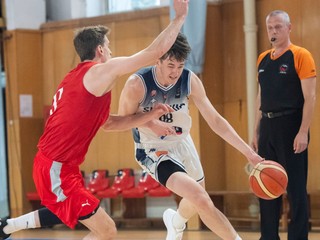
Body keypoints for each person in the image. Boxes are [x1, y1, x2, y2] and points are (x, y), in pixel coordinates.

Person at [0, 1, 189, 239]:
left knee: (70, 213)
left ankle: (7, 226)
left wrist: (149, 116)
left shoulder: (79, 81)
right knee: (106, 229)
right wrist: (179, 18)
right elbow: (153, 53)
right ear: (100, 50)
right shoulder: (98, 72)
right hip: (55, 167)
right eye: (108, 47)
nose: (111, 52)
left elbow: (110, 124)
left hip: (61, 167)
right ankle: (8, 226)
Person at [118, 32, 264, 240]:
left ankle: (176, 221)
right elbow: (122, 120)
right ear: (157, 59)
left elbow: (215, 121)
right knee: (201, 199)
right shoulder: (137, 84)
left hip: (182, 141)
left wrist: (248, 153)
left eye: (180, 66)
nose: (175, 72)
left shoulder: (189, 80)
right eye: (170, 65)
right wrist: (151, 123)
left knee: (196, 199)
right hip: (153, 148)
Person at [251, 10, 317, 240]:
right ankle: (268, 237)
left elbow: (311, 98)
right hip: (267, 127)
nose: (273, 31)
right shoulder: (262, 59)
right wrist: (256, 130)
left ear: (289, 28)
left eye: (278, 26)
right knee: (266, 186)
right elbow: (261, 96)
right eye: (270, 27)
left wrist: (303, 131)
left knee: (295, 189)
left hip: (291, 126)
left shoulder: (301, 55)